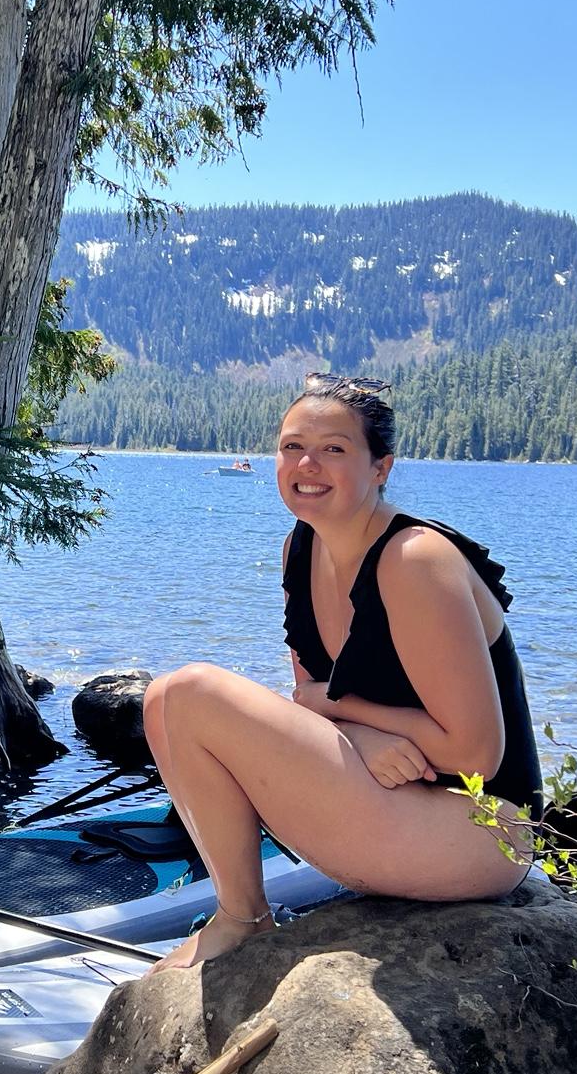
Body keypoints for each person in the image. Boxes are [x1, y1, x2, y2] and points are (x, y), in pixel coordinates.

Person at [142, 373, 541, 973]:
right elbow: (310, 699)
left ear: (380, 467)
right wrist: (358, 733)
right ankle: (242, 914)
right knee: (162, 699)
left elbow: (476, 754)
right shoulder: (301, 547)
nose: (308, 463)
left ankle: (243, 919)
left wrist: (342, 710)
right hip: (392, 799)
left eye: (335, 449)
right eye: (292, 446)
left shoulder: (415, 560)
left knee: (194, 692)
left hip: (482, 832)